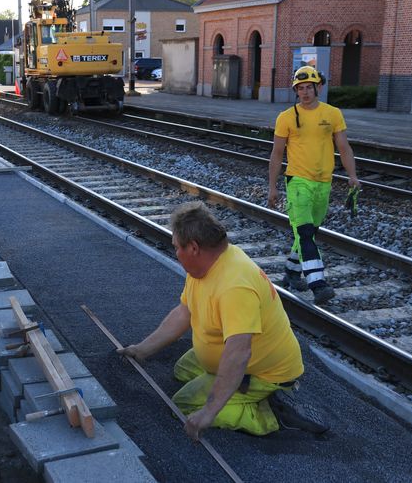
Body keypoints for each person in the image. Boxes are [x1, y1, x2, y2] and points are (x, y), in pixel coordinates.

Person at [118, 201, 328, 440]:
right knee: (183, 370)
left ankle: (269, 416)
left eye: (177, 247)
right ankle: (229, 389)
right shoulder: (207, 265)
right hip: (236, 355)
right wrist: (142, 349)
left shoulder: (234, 287)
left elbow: (238, 354)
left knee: (184, 405)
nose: (175, 253)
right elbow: (184, 312)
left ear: (194, 248)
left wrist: (208, 412)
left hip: (261, 371)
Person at [268, 65, 360, 305]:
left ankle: (290, 271)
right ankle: (318, 284)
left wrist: (353, 176)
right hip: (297, 181)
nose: (305, 92)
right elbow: (277, 154)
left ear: (318, 87)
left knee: (308, 232)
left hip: (323, 182)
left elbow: (344, 148)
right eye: (300, 88)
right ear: (295, 91)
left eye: (309, 87)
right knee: (306, 232)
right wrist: (273, 187)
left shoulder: (333, 114)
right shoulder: (286, 117)